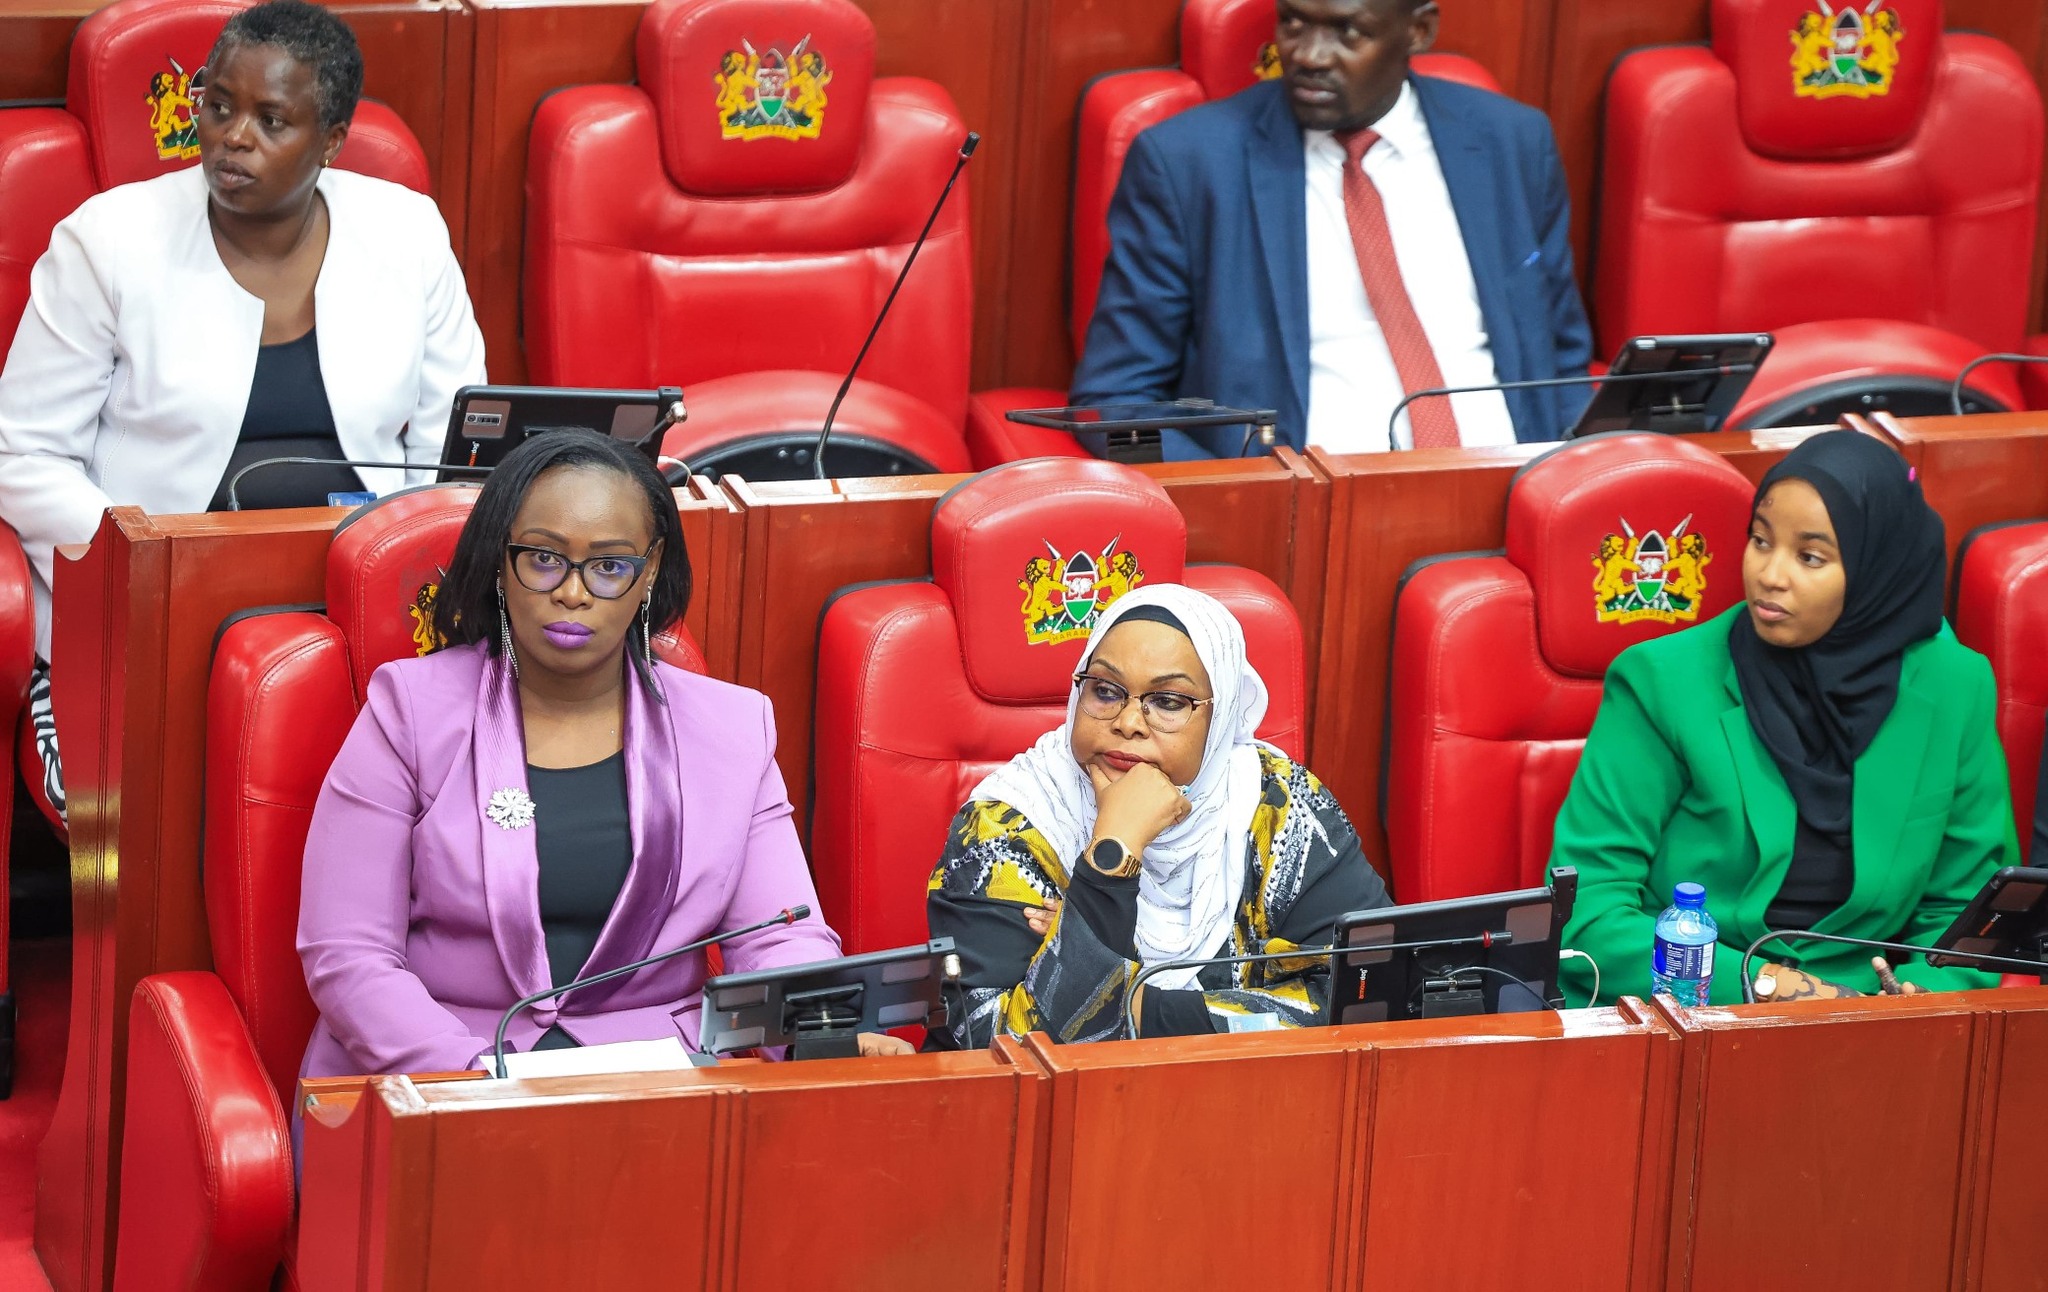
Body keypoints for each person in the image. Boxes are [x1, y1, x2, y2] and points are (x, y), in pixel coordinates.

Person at [0, 0, 486, 816]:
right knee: (136, 827)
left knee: (432, 800)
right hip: (141, 617)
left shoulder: (408, 234)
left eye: (272, 120)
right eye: (218, 106)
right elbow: (22, 455)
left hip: (355, 614)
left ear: (331, 141)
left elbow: (455, 457)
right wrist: (153, 575)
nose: (232, 136)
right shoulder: (107, 242)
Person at [297, 433, 907, 1081]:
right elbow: (349, 954)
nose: (572, 593)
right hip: (437, 1073)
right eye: (543, 559)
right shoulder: (409, 712)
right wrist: (473, 1084)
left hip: (655, 1089)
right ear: (500, 563)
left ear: (648, 573)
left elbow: (777, 933)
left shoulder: (732, 728)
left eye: (609, 566)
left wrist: (822, 1028)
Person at [1554, 431, 2017, 1005]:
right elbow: (1588, 909)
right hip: (1683, 1009)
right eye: (1760, 540)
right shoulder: (1662, 681)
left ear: (1879, 570)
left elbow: (1968, 908)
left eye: (1810, 557)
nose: (1770, 574)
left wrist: (1922, 998)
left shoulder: (1954, 683)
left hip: (1872, 1023)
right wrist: (1773, 986)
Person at [1069, 0, 1592, 458]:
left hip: (1515, 486)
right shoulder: (1189, 163)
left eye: (1347, 32)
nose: (1309, 55)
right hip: (1316, 513)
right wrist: (1247, 499)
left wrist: (1573, 467)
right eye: (1293, 22)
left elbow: (1562, 361)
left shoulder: (1512, 142)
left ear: (1419, 31)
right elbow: (1118, 398)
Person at [927, 585, 1390, 1046]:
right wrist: (1112, 855)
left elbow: (1370, 994)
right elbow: (998, 1050)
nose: (1128, 722)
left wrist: (1134, 1002)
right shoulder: (1004, 828)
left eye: (1168, 702)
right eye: (1105, 691)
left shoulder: (1278, 804)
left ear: (1219, 719)